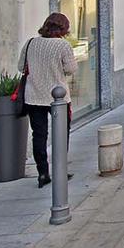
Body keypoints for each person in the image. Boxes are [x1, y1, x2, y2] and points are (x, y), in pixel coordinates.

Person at [19, 12, 77, 188]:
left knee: (39, 134)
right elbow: (71, 69)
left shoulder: (30, 43)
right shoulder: (63, 45)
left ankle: (42, 173)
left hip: (33, 96)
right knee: (61, 134)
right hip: (59, 97)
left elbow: (21, 67)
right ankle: (60, 170)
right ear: (64, 28)